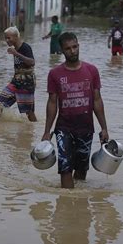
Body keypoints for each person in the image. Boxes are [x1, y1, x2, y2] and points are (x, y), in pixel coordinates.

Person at [42, 32, 109, 188]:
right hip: (63, 128)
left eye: (75, 47)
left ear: (78, 46)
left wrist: (104, 128)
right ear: (62, 50)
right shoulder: (55, 74)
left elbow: (97, 100)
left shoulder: (92, 71)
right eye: (68, 48)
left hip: (85, 128)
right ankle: (67, 207)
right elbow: (52, 103)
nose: (72, 51)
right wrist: (47, 131)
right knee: (65, 168)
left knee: (81, 171)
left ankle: (79, 208)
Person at [0, 26, 37, 122]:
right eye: (5, 38)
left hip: (27, 82)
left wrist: (16, 54)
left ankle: (33, 130)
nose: (7, 40)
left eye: (9, 38)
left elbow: (32, 62)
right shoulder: (15, 48)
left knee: (28, 112)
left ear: (16, 37)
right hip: (16, 81)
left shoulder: (25, 47)